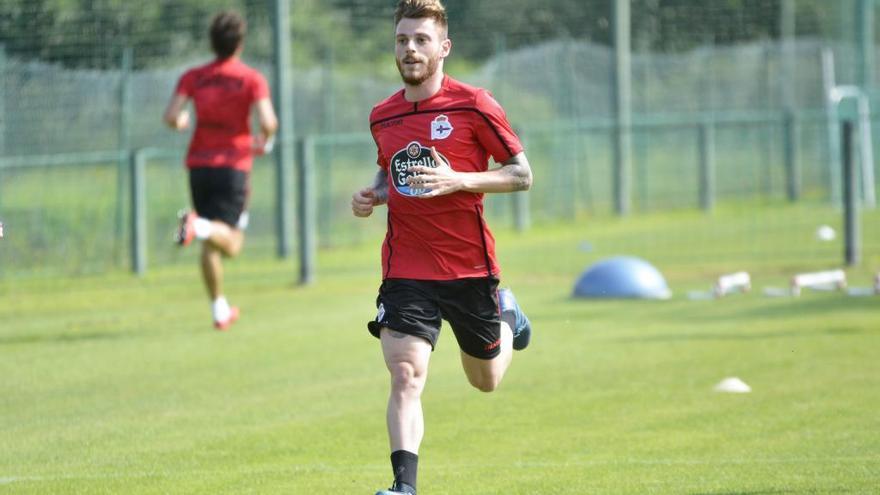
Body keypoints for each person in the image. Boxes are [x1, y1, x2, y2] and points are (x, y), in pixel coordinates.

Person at [351, 1, 533, 493]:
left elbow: (521, 175)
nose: (410, 49)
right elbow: (393, 174)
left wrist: (459, 179)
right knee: (407, 373)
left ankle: (508, 316)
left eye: (421, 40)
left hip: (468, 267)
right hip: (406, 268)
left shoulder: (475, 104)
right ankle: (404, 486)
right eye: (402, 40)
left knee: (485, 379)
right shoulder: (383, 116)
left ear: (443, 47)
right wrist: (374, 195)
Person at [163, 10, 278, 330]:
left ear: (212, 42)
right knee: (231, 242)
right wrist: (264, 140)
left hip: (199, 167)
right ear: (239, 43)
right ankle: (196, 226)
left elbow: (172, 115)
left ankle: (219, 309)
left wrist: (182, 121)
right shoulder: (251, 78)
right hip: (233, 167)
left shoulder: (194, 76)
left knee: (210, 238)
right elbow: (269, 122)